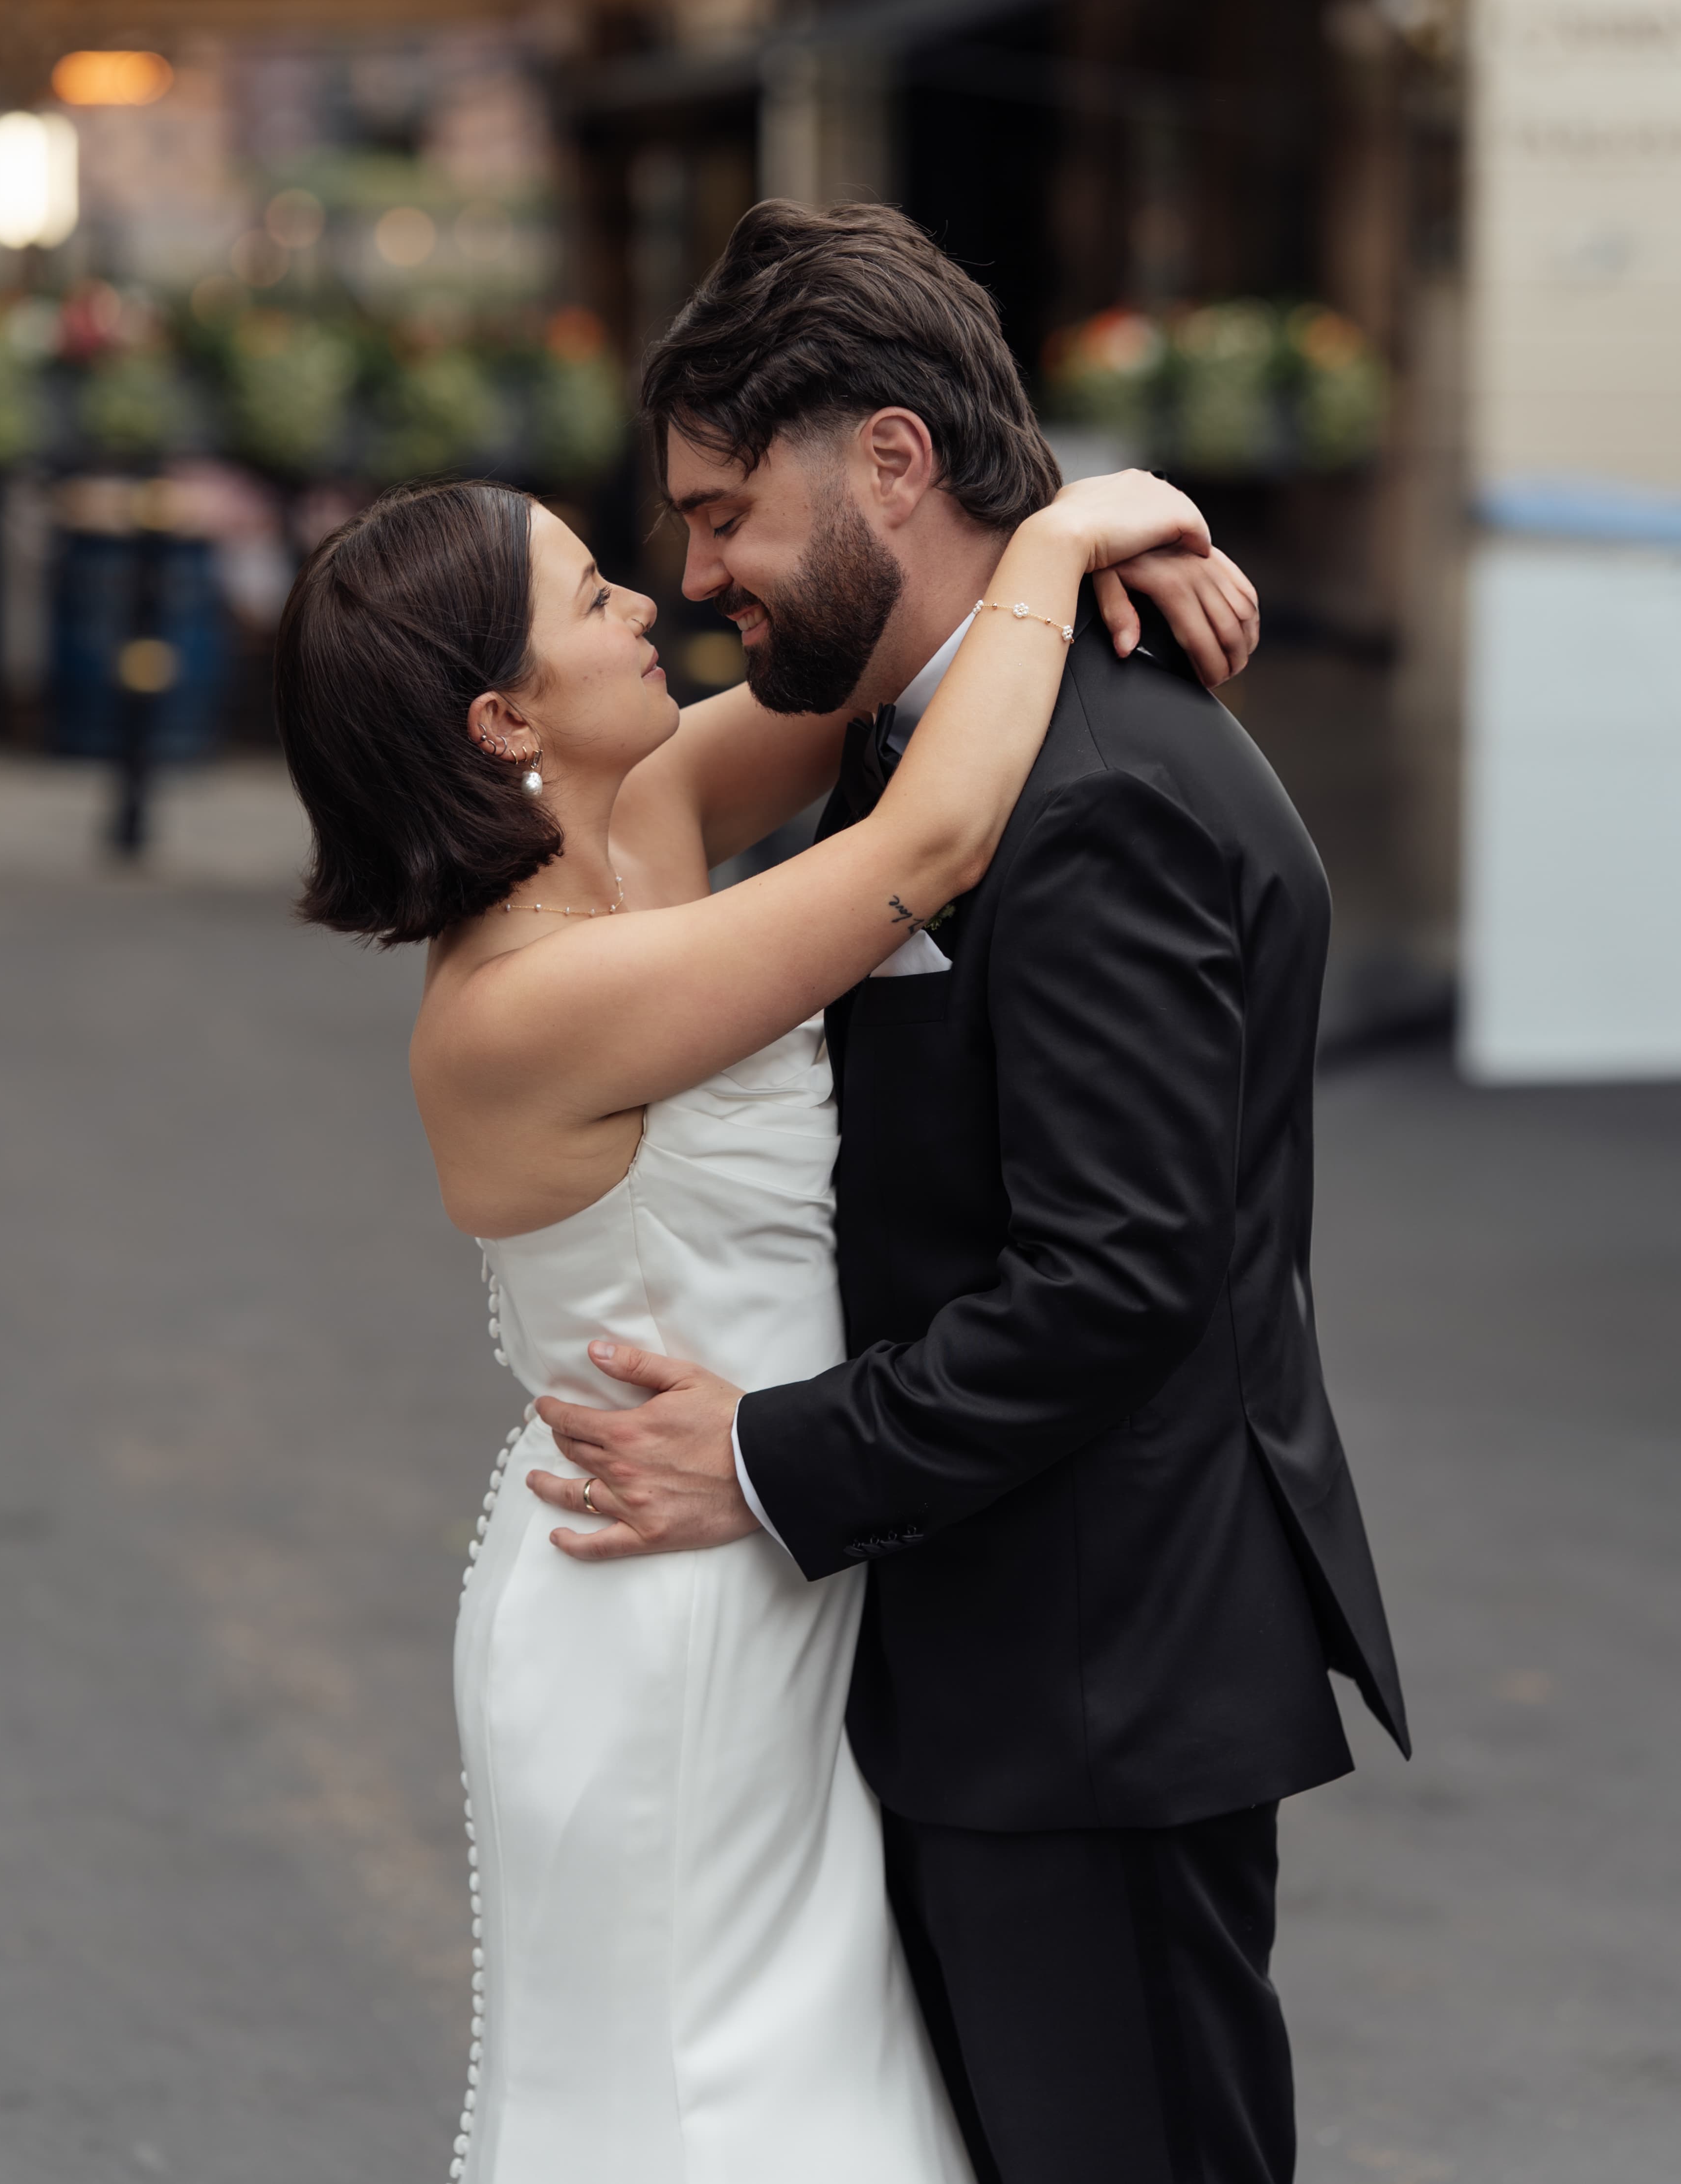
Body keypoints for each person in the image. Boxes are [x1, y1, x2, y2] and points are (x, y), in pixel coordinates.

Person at [530, 201, 1410, 2184]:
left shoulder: (1089, 788)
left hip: (1088, 1677)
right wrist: (1078, 521)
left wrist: (761, 1458)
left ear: (894, 462)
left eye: (723, 511)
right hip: (1011, 1661)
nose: (695, 574)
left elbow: (1116, 1281)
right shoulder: (939, 732)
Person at [271, 446, 1247, 2184]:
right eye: (593, 598)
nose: (654, 597)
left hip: (777, 1535)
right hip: (661, 1599)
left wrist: (1030, 545)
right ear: (506, 721)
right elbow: (930, 836)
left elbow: (879, 662)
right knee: (703, 2095)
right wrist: (1071, 527)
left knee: (819, 2070)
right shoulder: (521, 1004)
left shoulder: (638, 816)